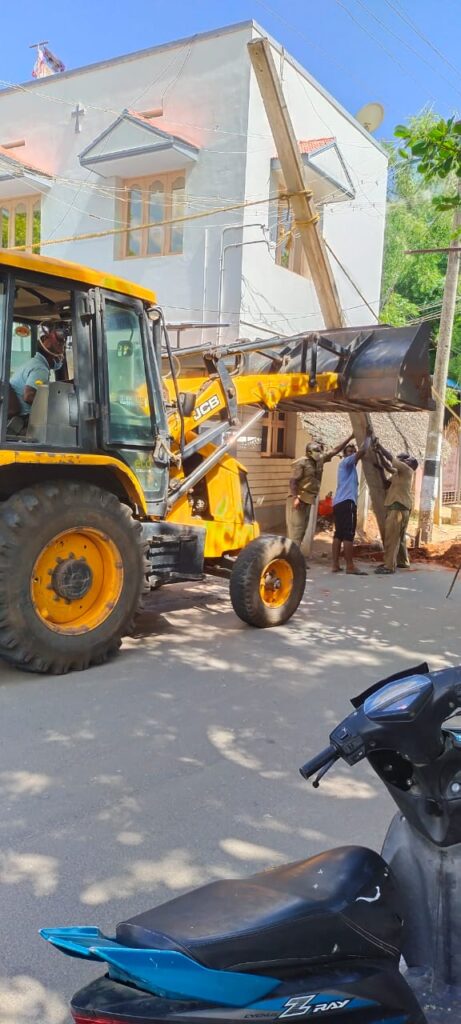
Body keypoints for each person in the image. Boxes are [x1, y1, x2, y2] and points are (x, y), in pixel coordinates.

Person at [286, 434, 354, 556]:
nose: (319, 453)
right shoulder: (301, 463)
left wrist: (350, 437)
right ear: (309, 452)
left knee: (302, 530)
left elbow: (335, 451)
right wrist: (295, 497)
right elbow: (293, 481)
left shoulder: (319, 461)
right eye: (316, 450)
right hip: (298, 499)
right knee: (296, 531)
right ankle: (291, 559)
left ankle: (295, 557)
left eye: (319, 450)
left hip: (308, 499)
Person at [372, 442, 419, 575]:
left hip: (397, 509)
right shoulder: (399, 474)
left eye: (404, 460)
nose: (401, 461)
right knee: (400, 537)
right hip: (402, 508)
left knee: (391, 538)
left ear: (409, 463)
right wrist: (380, 467)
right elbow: (387, 482)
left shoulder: (407, 470)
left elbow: (390, 459)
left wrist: (379, 447)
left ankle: (389, 566)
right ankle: (402, 561)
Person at [332, 434, 372, 575]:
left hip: (339, 503)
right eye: (350, 451)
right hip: (347, 502)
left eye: (353, 451)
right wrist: (368, 438)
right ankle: (350, 566)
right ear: (345, 454)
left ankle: (335, 565)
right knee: (348, 534)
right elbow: (362, 451)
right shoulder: (347, 462)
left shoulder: (348, 468)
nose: (352, 454)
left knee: (339, 534)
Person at [10, 322, 67, 417]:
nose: (60, 360)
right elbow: (29, 396)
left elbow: (39, 385)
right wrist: (54, 406)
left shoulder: (34, 363)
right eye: (59, 357)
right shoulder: (40, 368)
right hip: (24, 420)